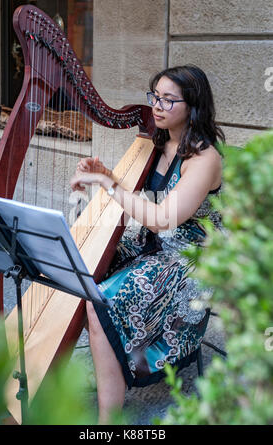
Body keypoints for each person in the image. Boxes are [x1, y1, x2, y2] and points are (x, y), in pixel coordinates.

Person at [70, 64, 225, 424]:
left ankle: (108, 422)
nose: (157, 106)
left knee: (101, 303)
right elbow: (140, 201)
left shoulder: (204, 159)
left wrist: (108, 185)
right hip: (153, 247)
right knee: (77, 268)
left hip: (188, 264)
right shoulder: (157, 142)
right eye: (155, 96)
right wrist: (104, 173)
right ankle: (109, 361)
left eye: (169, 100)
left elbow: (163, 217)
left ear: (194, 106)